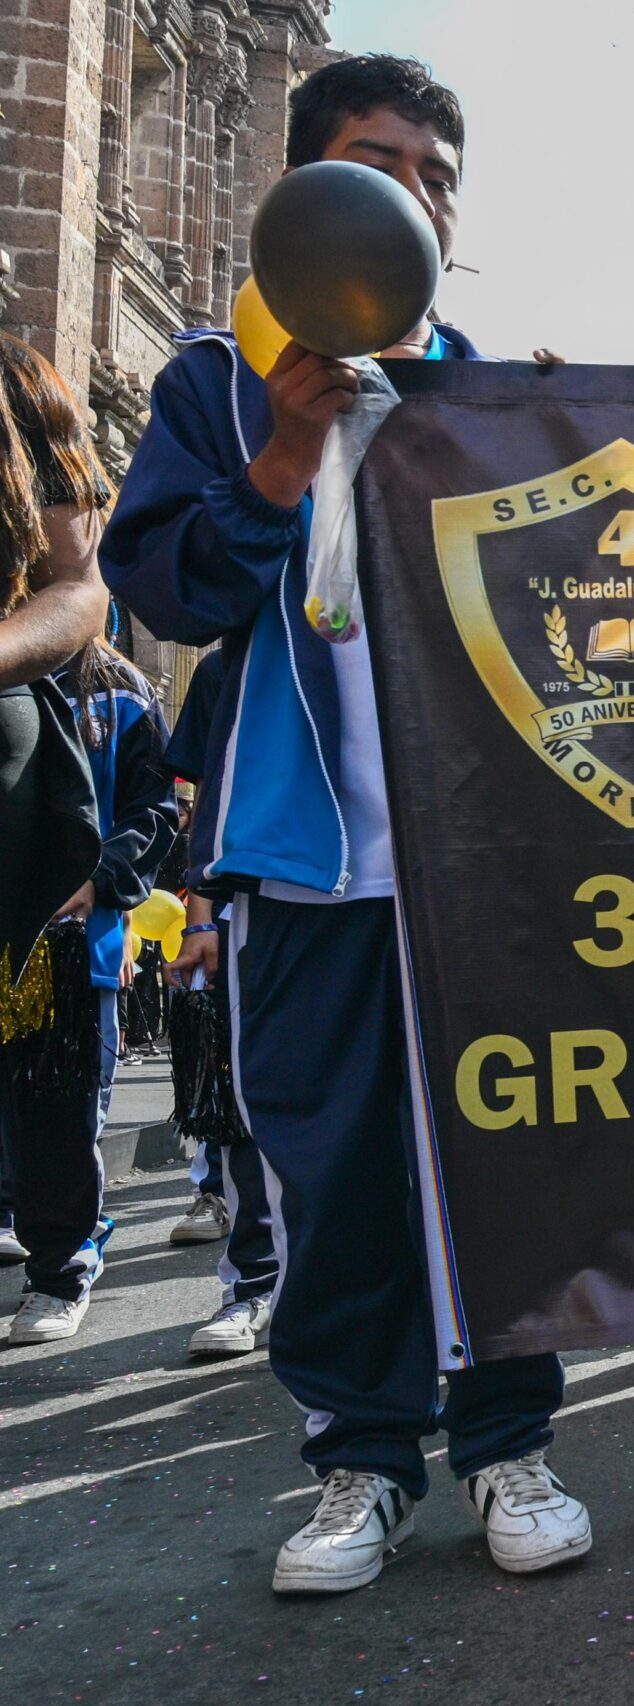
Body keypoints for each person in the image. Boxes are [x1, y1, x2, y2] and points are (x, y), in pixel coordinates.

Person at [101, 54, 593, 1592]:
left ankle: (510, 1441)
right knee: (333, 1171)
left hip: (475, 861)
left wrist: (567, 450)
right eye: (378, 166)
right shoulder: (212, 381)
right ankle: (361, 1461)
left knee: (497, 1159)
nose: (414, 197)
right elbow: (162, 587)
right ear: (304, 188)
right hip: (304, 856)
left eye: (438, 178)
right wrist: (277, 461)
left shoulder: (487, 392)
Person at [0, 335, 173, 1347]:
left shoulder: (120, 695)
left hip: (70, 929)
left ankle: (62, 1262)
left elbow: (160, 810)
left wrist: (102, 880)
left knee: (59, 1098)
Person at [158, 645, 282, 1355]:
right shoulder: (227, 661)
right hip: (254, 911)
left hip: (390, 907)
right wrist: (201, 919)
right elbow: (210, 795)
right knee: (246, 1110)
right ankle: (254, 1285)